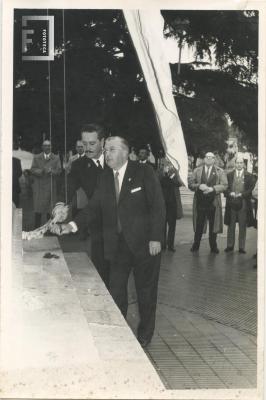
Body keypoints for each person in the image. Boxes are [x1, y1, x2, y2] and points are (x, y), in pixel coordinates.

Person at [58, 136, 166, 348]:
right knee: (116, 291)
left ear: (125, 153)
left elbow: (158, 206)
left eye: (112, 150)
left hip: (145, 245)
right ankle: (120, 333)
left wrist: (156, 238)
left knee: (145, 293)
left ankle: (145, 334)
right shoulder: (105, 177)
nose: (107, 154)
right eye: (106, 150)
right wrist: (71, 225)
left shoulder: (144, 172)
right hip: (117, 246)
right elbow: (93, 208)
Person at [58, 123, 109, 286]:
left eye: (92, 143)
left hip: (122, 226)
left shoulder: (114, 159)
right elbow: (69, 186)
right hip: (97, 225)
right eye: (84, 143)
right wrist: (60, 204)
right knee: (101, 272)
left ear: (103, 141)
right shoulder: (80, 165)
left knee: (119, 277)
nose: (87, 148)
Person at [188, 151, 228, 253]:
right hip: (200, 203)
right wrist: (198, 186)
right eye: (207, 157)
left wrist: (213, 189)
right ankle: (195, 245)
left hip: (213, 203)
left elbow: (225, 185)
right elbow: (190, 184)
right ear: (204, 159)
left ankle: (213, 246)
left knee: (213, 226)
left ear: (214, 159)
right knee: (199, 225)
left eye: (211, 157)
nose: (209, 159)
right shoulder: (197, 170)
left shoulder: (220, 171)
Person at [224, 156, 255, 254]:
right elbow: (225, 187)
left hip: (244, 203)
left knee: (242, 225)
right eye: (237, 162)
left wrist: (242, 194)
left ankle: (241, 247)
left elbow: (251, 189)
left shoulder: (249, 176)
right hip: (231, 203)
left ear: (244, 164)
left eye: (241, 163)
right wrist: (230, 193)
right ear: (235, 164)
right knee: (231, 225)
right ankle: (230, 245)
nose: (239, 164)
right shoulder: (229, 175)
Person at [30, 140, 62, 228]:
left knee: (50, 209)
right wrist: (41, 171)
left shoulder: (56, 158)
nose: (47, 147)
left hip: (51, 186)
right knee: (38, 208)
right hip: (39, 186)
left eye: (49, 146)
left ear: (51, 147)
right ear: (42, 147)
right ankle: (36, 227)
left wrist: (52, 171)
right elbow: (32, 169)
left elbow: (59, 171)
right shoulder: (36, 157)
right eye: (45, 146)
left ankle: (50, 229)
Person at [158, 160, 183, 251]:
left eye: (169, 162)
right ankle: (163, 244)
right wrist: (164, 173)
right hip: (162, 202)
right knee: (162, 225)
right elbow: (157, 181)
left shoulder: (175, 172)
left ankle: (170, 245)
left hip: (172, 202)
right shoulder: (159, 171)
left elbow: (179, 183)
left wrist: (171, 176)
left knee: (172, 225)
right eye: (166, 162)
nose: (167, 164)